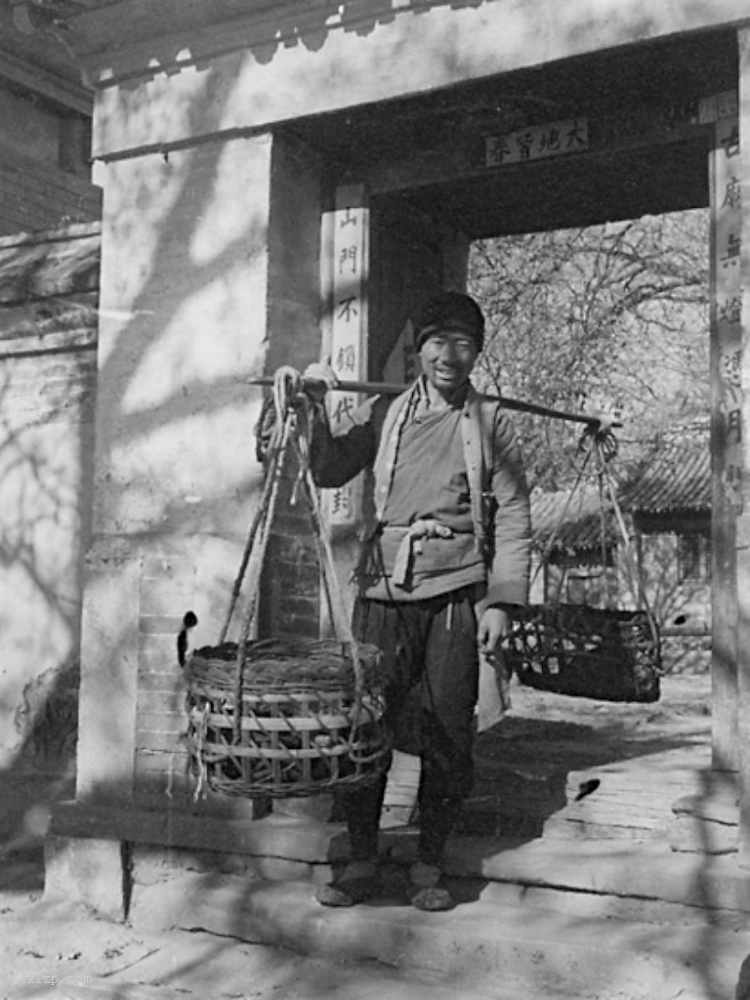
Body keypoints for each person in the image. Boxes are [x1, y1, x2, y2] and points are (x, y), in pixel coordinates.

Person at [302, 290, 531, 911]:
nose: (448, 356)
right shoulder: (387, 414)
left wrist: (502, 604)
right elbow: (328, 469)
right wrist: (313, 407)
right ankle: (361, 856)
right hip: (383, 589)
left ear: (477, 352)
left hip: (455, 590)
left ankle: (429, 862)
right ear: (419, 349)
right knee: (364, 726)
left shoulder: (490, 423)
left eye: (462, 343)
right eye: (437, 342)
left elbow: (512, 513)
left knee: (449, 730)